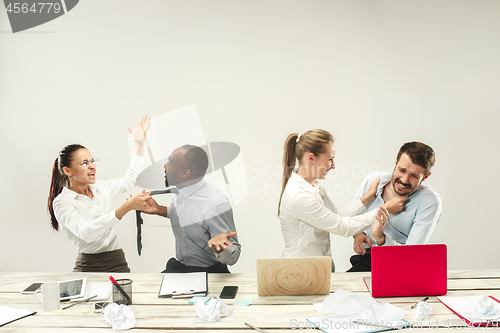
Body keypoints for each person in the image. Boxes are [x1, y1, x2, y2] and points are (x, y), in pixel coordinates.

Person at [278, 130, 406, 271]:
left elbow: (337, 214)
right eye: (330, 159)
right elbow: (343, 227)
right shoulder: (300, 196)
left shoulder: (314, 184)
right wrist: (385, 209)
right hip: (301, 271)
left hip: (320, 266)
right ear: (311, 158)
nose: (333, 165)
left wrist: (367, 198)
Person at [48, 116, 152, 273]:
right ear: (67, 171)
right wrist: (126, 207)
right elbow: (87, 233)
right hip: (88, 266)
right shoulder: (63, 202)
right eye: (84, 163)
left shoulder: (100, 187)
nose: (92, 167)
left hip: (118, 262)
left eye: (92, 161)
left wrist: (140, 144)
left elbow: (130, 181)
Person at [142, 144, 241, 273]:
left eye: (170, 162)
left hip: (210, 274)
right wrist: (160, 210)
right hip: (182, 269)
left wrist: (221, 249)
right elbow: (190, 215)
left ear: (185, 173)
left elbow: (234, 255)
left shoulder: (215, 204)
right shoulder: (180, 191)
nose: (165, 166)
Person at [347, 141, 442, 272]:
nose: (404, 180)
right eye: (402, 170)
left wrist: (381, 239)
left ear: (425, 176)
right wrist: (357, 233)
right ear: (395, 162)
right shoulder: (374, 180)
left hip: (401, 267)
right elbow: (349, 217)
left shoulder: (430, 202)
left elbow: (412, 254)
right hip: (367, 260)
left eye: (414, 176)